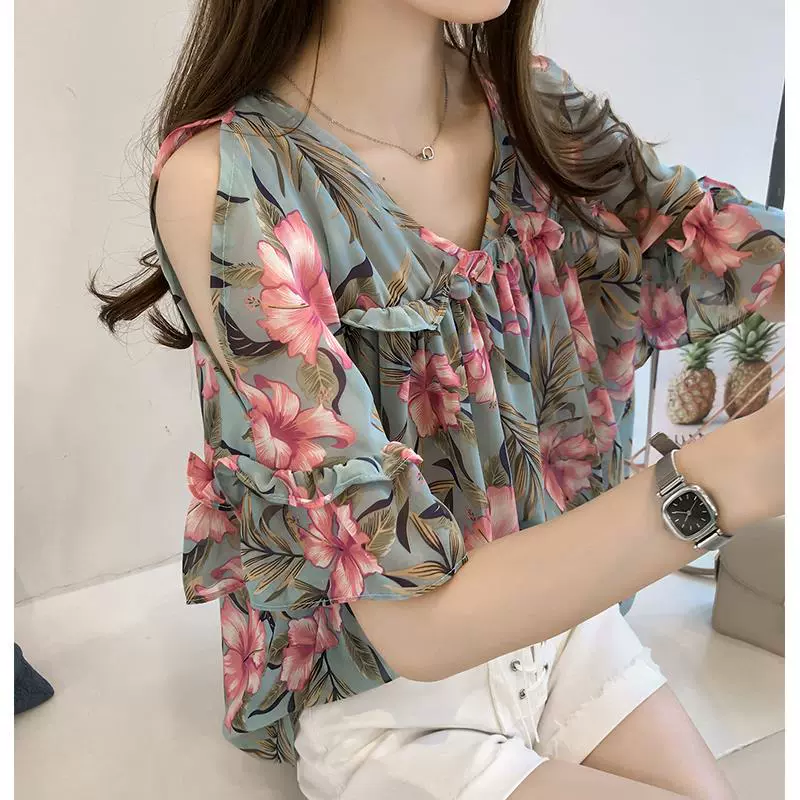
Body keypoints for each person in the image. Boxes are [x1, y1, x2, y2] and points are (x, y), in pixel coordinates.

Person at [92, 1, 785, 797]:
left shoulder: (529, 106)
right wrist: (732, 474)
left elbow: (713, 237)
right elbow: (413, 624)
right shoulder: (231, 184)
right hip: (390, 701)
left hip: (563, 632)